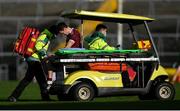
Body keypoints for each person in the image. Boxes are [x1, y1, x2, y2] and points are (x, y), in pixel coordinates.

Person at [8, 25, 60, 102]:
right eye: (57, 33)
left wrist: (46, 55)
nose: (57, 36)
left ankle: (13, 96)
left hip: (32, 59)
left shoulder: (45, 35)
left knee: (28, 79)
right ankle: (45, 98)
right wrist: (44, 55)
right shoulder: (45, 36)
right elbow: (38, 46)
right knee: (41, 80)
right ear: (54, 32)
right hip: (34, 60)